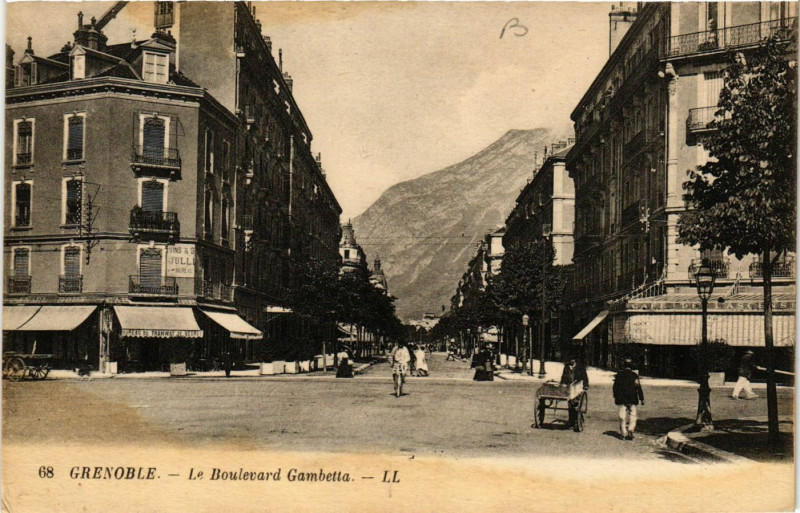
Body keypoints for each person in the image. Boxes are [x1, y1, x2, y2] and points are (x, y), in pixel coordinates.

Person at [613, 358, 645, 440]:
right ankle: (631, 429)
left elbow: (615, 388)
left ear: (624, 366)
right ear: (631, 366)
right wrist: (641, 398)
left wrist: (616, 397)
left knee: (622, 416)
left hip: (622, 398)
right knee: (633, 415)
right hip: (632, 398)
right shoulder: (634, 375)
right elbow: (638, 387)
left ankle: (623, 433)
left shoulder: (619, 375)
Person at [560, 356, 589, 431]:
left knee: (576, 403)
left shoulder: (580, 367)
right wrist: (562, 383)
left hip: (577, 386)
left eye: (573, 360)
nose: (572, 361)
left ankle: (577, 420)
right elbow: (563, 376)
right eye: (570, 360)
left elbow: (584, 377)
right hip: (569, 387)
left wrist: (585, 385)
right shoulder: (566, 367)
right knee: (570, 403)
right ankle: (571, 421)